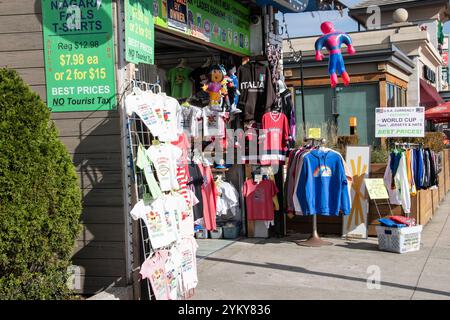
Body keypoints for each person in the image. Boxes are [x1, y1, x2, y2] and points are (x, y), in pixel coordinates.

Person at [315, 21, 356, 88]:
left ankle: (334, 81)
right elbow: (347, 37)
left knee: (332, 70)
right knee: (342, 69)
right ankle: (346, 80)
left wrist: (318, 53)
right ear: (332, 26)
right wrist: (350, 46)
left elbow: (318, 43)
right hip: (339, 54)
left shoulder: (324, 37)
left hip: (332, 54)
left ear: (323, 30)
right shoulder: (340, 33)